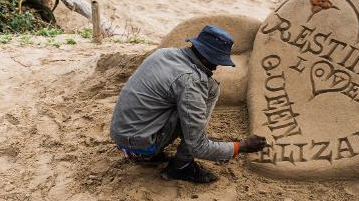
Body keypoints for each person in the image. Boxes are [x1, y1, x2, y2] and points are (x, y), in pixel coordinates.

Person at [110, 25, 268, 183]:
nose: (216, 67)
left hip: (121, 134)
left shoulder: (164, 53)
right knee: (208, 93)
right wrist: (242, 146)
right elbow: (197, 147)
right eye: (216, 62)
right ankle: (180, 167)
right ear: (207, 57)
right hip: (140, 147)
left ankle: (159, 151)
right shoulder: (192, 81)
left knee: (206, 88)